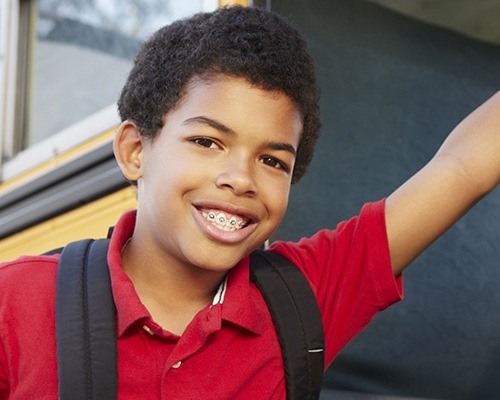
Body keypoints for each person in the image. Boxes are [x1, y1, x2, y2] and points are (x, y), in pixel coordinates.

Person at [0, 5, 498, 400]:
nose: (240, 179)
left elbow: (460, 169)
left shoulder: (300, 300)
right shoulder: (16, 301)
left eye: (273, 161)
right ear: (135, 151)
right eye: (207, 142)